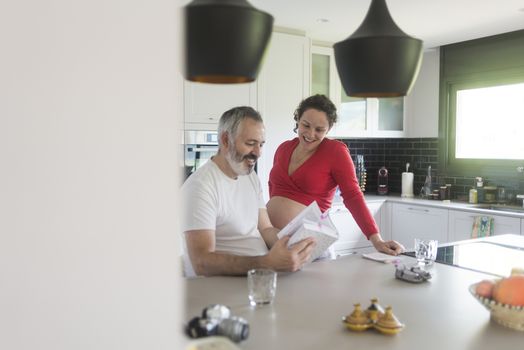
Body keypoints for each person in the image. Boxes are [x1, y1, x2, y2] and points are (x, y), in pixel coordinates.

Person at [181, 106, 316, 277]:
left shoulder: (249, 177)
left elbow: (266, 229)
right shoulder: (200, 186)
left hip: (260, 276)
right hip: (224, 285)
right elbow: (201, 262)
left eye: (261, 144)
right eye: (250, 144)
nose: (258, 153)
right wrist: (267, 263)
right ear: (225, 140)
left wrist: (295, 243)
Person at [267, 94, 404, 255]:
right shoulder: (283, 148)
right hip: (274, 241)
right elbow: (273, 189)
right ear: (297, 119)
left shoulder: (335, 151)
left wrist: (377, 239)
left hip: (310, 244)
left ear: (329, 129)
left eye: (319, 130)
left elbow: (353, 196)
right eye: (306, 125)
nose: (311, 134)